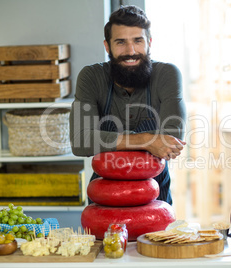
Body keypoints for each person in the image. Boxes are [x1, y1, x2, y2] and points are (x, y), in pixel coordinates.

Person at [69, 5, 186, 205]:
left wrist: (109, 140)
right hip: (105, 196)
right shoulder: (91, 76)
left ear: (149, 43)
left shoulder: (167, 74)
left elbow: (172, 140)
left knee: (157, 237)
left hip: (155, 196)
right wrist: (148, 141)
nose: (130, 51)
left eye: (137, 41)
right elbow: (81, 141)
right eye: (121, 42)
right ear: (107, 46)